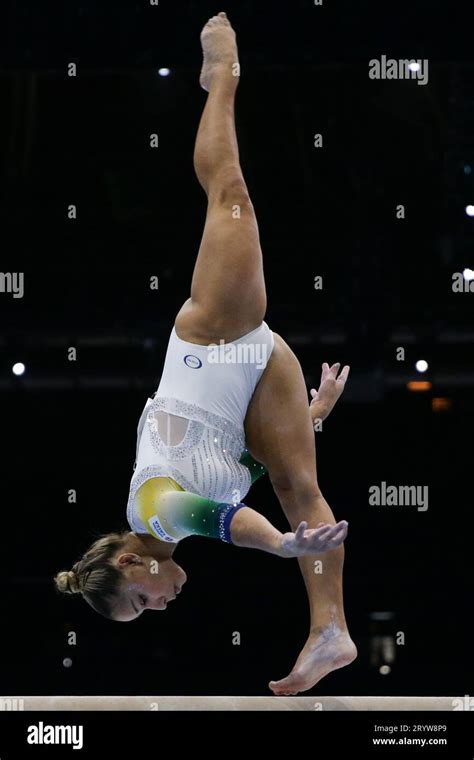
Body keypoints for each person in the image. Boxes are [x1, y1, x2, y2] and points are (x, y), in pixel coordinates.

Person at [55, 12, 357, 695]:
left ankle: (220, 74)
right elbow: (249, 463)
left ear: (133, 564)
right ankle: (330, 629)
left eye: (142, 602)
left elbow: (220, 520)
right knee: (297, 486)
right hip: (258, 378)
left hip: (213, 341)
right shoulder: (177, 524)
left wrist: (281, 546)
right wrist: (312, 413)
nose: (160, 607)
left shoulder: (151, 510)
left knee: (230, 193)